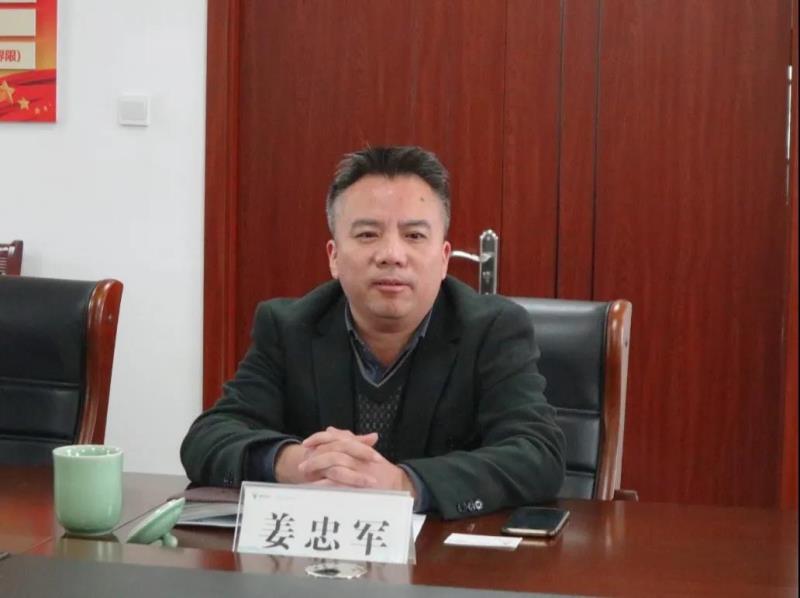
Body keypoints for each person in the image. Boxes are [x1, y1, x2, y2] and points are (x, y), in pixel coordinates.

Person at [181, 145, 565, 519]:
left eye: (414, 236)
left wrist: (403, 483)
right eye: (368, 234)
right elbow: (207, 437)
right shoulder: (290, 326)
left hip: (441, 556)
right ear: (334, 256)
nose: (391, 255)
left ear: (445, 258)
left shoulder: (492, 329)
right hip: (321, 552)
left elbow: (537, 454)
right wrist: (296, 463)